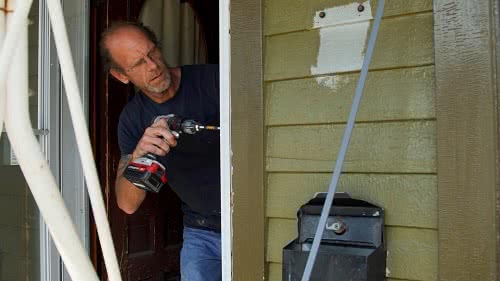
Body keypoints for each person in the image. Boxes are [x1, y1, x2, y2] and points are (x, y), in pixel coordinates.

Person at [99, 22, 221, 281]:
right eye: (138, 64)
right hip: (202, 232)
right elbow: (127, 204)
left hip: (249, 216)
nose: (153, 65)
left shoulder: (214, 81)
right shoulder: (133, 119)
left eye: (152, 53)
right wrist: (138, 156)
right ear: (121, 76)